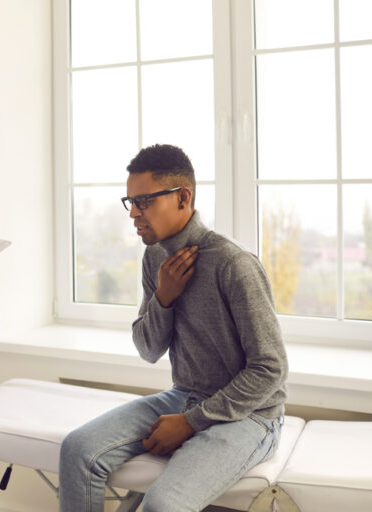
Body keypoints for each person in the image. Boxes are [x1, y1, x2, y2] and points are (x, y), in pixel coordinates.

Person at [58, 144, 288, 512]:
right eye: (130, 201)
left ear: (183, 197)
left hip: (253, 416)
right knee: (77, 450)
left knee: (162, 503)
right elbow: (148, 351)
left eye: (144, 201)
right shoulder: (155, 259)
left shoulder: (234, 264)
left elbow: (271, 370)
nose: (134, 213)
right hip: (183, 395)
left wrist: (191, 422)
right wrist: (164, 298)